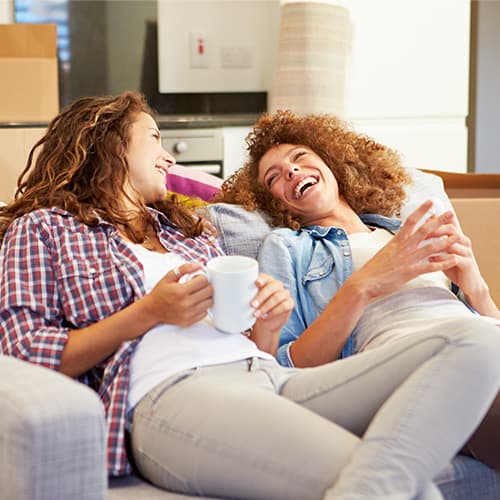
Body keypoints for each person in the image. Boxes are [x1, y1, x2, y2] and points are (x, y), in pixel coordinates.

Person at [1, 93, 499, 500]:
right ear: (106, 142)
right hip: (172, 393)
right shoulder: (43, 229)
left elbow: (251, 346)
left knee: (476, 343)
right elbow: (25, 351)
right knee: (409, 491)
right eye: (155, 137)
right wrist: (148, 313)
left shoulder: (186, 232)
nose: (168, 156)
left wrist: (264, 323)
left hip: (266, 377)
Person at [216, 109, 500, 473]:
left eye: (300, 157)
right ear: (276, 202)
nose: (290, 170)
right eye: (274, 177)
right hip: (411, 360)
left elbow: (488, 324)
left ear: (332, 164)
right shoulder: (288, 247)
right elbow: (285, 365)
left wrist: (476, 287)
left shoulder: (403, 231)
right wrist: (364, 285)